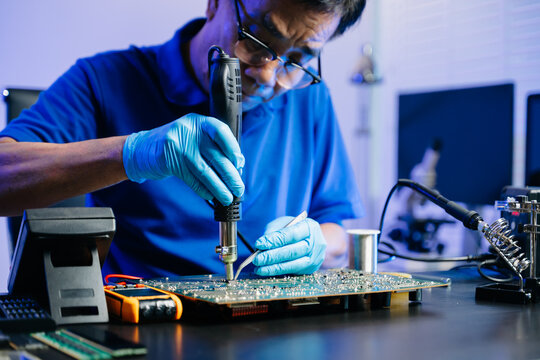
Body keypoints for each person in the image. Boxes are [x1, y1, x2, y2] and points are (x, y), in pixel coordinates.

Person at [0, 0, 365, 278]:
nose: (269, 75)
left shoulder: (309, 97)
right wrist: (133, 153)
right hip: (149, 326)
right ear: (214, 4)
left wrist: (317, 242)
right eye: (257, 39)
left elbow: (338, 226)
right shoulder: (105, 80)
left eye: (297, 59)